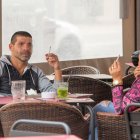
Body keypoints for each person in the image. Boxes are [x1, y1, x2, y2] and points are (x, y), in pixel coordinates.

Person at [92, 55, 140, 140]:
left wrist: (116, 79)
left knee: (98, 109)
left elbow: (119, 109)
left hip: (131, 123)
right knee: (96, 128)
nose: (137, 65)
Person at [0, 31, 62, 96]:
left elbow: (55, 94)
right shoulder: (1, 66)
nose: (26, 48)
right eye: (21, 44)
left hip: (31, 106)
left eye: (29, 44)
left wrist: (57, 68)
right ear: (11, 47)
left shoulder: (36, 72)